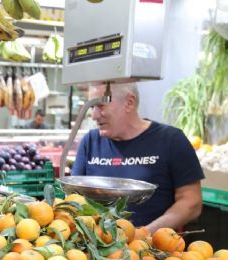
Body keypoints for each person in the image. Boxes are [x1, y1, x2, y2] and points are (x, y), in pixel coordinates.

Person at [71, 83, 204, 232]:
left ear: (129, 102)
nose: (94, 115)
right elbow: (74, 198)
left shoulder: (171, 140)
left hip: (155, 249)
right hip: (97, 246)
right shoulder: (90, 142)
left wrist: (144, 235)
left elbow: (191, 202)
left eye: (100, 106)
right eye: (92, 107)